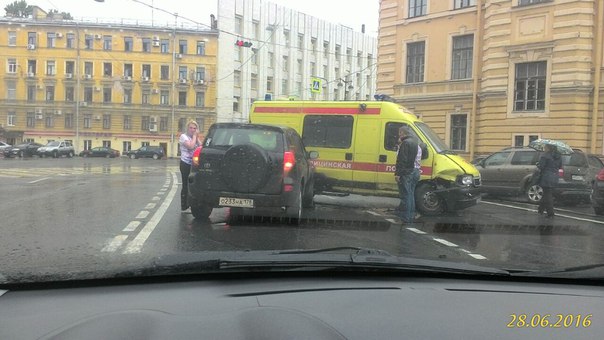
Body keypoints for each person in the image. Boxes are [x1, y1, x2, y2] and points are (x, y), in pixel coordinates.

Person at [394, 126, 422, 223]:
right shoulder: (416, 143)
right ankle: (411, 215)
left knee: (406, 195)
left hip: (407, 172)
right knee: (411, 194)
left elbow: (402, 160)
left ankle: (406, 217)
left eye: (399, 133)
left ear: (402, 133)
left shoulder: (405, 143)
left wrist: (398, 173)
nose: (399, 135)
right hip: (416, 171)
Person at [179, 120, 202, 211]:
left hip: (194, 164)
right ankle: (184, 205)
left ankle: (192, 204)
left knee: (193, 184)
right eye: (191, 128)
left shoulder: (194, 137)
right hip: (185, 163)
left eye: (194, 128)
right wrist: (195, 136)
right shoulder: (183, 137)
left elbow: (201, 147)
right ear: (187, 128)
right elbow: (191, 146)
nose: (192, 130)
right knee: (186, 184)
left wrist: (197, 138)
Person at [536, 144, 562, 218]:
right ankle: (540, 209)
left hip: (546, 176)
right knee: (546, 193)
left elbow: (541, 166)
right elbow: (560, 166)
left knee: (547, 195)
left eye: (545, 147)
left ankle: (550, 213)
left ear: (548, 148)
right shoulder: (558, 156)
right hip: (555, 176)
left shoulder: (545, 156)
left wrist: (538, 164)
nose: (544, 148)